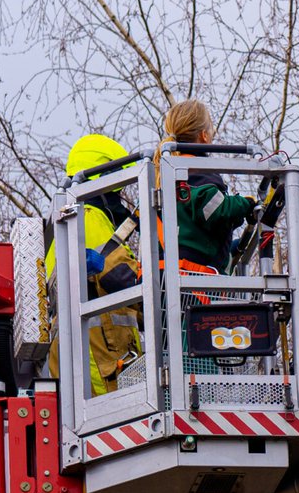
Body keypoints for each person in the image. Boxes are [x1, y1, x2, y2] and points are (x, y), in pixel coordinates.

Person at [47, 133, 144, 395]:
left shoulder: (69, 223)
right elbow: (120, 277)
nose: (121, 198)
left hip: (89, 357)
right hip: (99, 359)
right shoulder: (89, 216)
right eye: (118, 190)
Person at [160, 99, 263, 273]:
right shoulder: (197, 170)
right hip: (194, 277)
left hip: (170, 272)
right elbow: (214, 210)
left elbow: (195, 227)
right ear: (204, 136)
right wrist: (245, 204)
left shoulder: (167, 172)